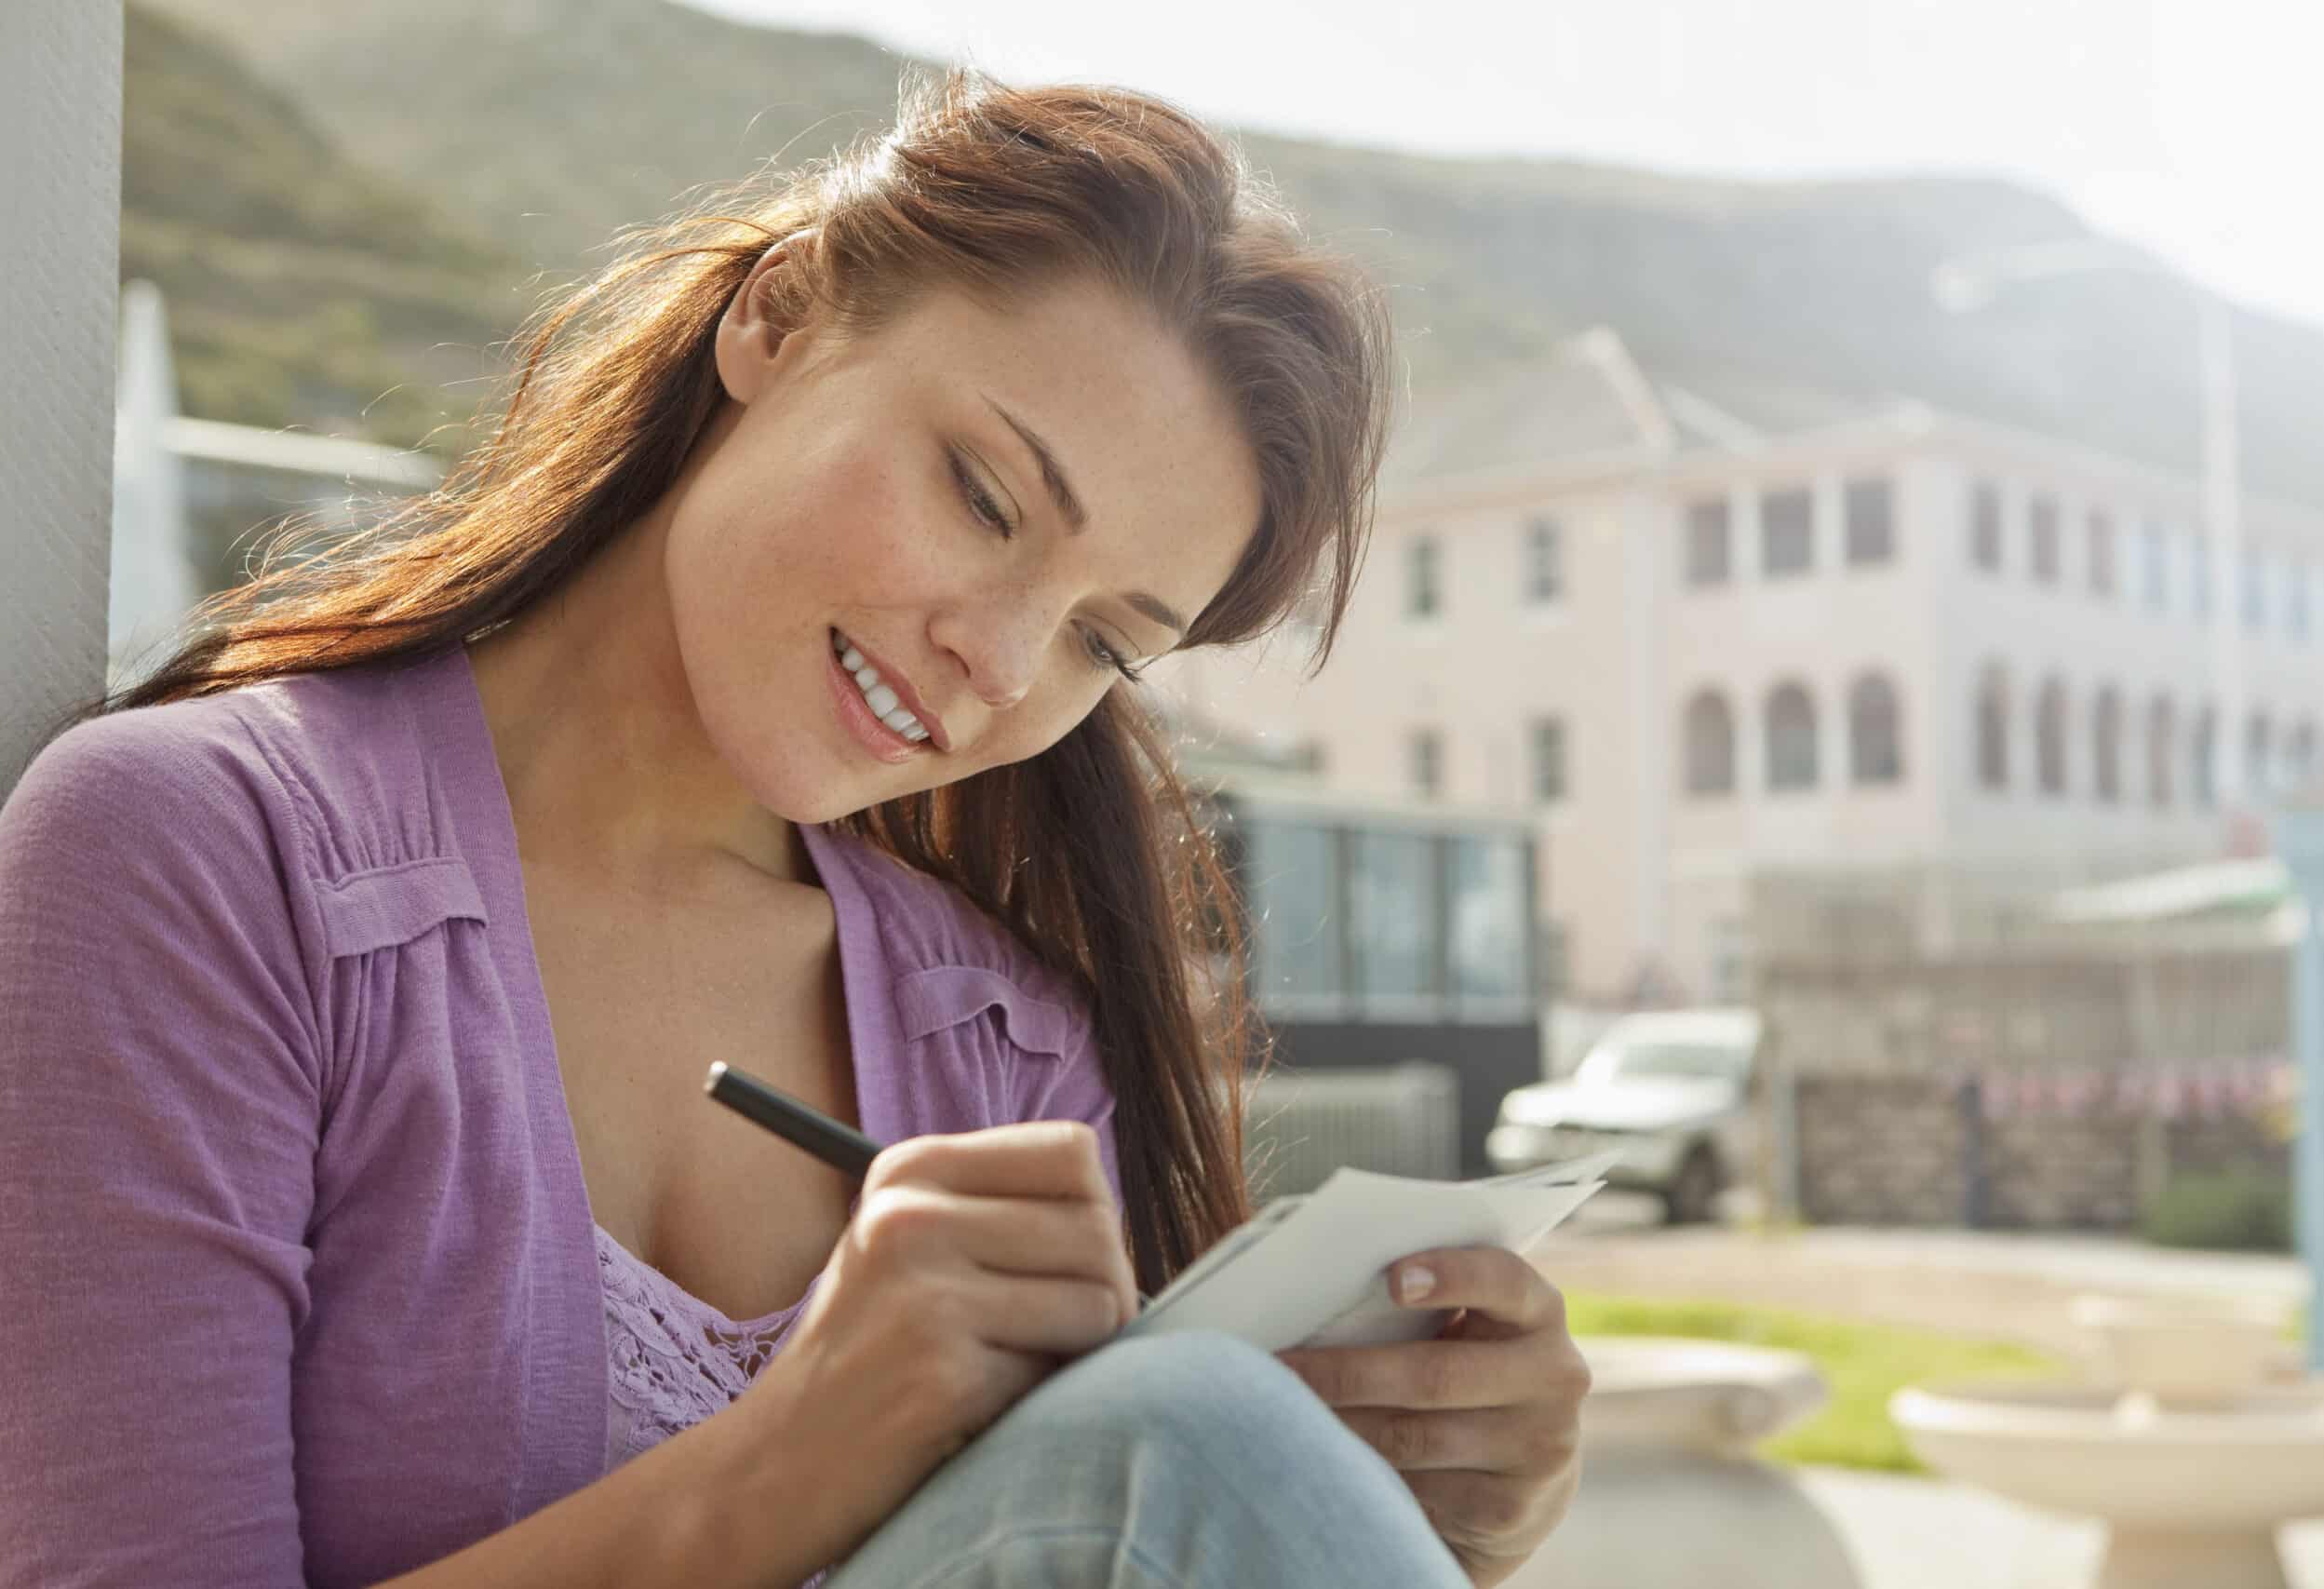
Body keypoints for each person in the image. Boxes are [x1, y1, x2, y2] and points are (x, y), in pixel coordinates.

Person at [0, 70, 1591, 1589]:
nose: (1006, 660)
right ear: (779, 317)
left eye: (1106, 642)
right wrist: (782, 1468)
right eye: (983, 495)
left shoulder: (1006, 1047)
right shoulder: (203, 857)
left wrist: (1411, 1509)